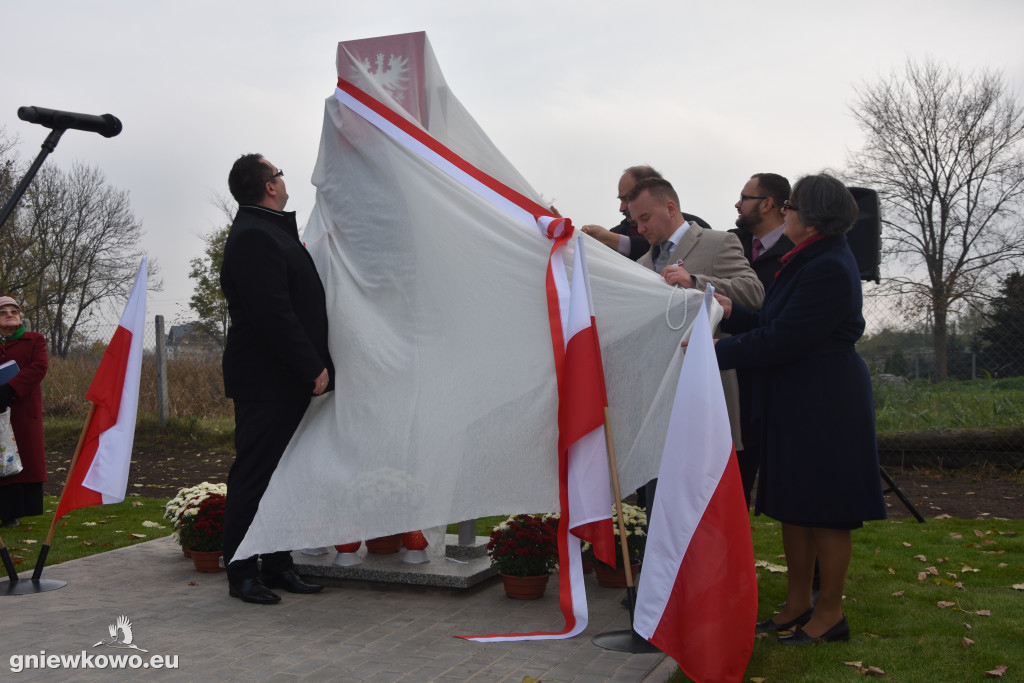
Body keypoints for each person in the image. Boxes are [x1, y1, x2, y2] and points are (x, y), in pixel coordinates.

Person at [714, 173, 887, 645]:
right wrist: (730, 311)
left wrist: (711, 353)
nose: (784, 212)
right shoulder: (805, 259)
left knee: (827, 509)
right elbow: (773, 322)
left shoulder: (829, 265)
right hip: (796, 397)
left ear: (811, 218)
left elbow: (785, 339)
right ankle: (796, 604)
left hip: (826, 401)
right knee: (795, 504)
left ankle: (829, 613)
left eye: (791, 206)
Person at [220, 153, 335, 604]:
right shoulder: (253, 236)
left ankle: (278, 564)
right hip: (266, 380)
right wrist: (311, 365)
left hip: (281, 378)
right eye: (280, 174)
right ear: (270, 186)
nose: (284, 180)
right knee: (255, 474)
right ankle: (242, 572)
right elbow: (273, 313)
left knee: (281, 475)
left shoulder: (269, 229)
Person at [628, 176, 763, 505]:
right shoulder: (640, 265)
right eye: (635, 222)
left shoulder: (718, 243)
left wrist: (697, 282)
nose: (640, 229)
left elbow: (753, 292)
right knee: (658, 504)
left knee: (704, 504)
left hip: (705, 392)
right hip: (656, 401)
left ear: (671, 207)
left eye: (645, 218)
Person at [728, 173, 794, 507]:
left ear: (768, 204)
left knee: (791, 500)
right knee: (729, 493)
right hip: (730, 383)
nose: (737, 204)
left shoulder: (795, 254)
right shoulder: (729, 243)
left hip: (773, 387)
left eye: (745, 197)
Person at [581, 166, 712, 261]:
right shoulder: (619, 231)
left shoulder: (697, 229)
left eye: (627, 198)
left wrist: (611, 239)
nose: (622, 208)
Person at [0, 296, 48, 528]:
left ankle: (14, 513)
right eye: (3, 312)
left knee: (21, 458)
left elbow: (39, 367)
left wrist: (10, 389)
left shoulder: (35, 340)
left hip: (22, 409)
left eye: (14, 310)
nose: (10, 314)